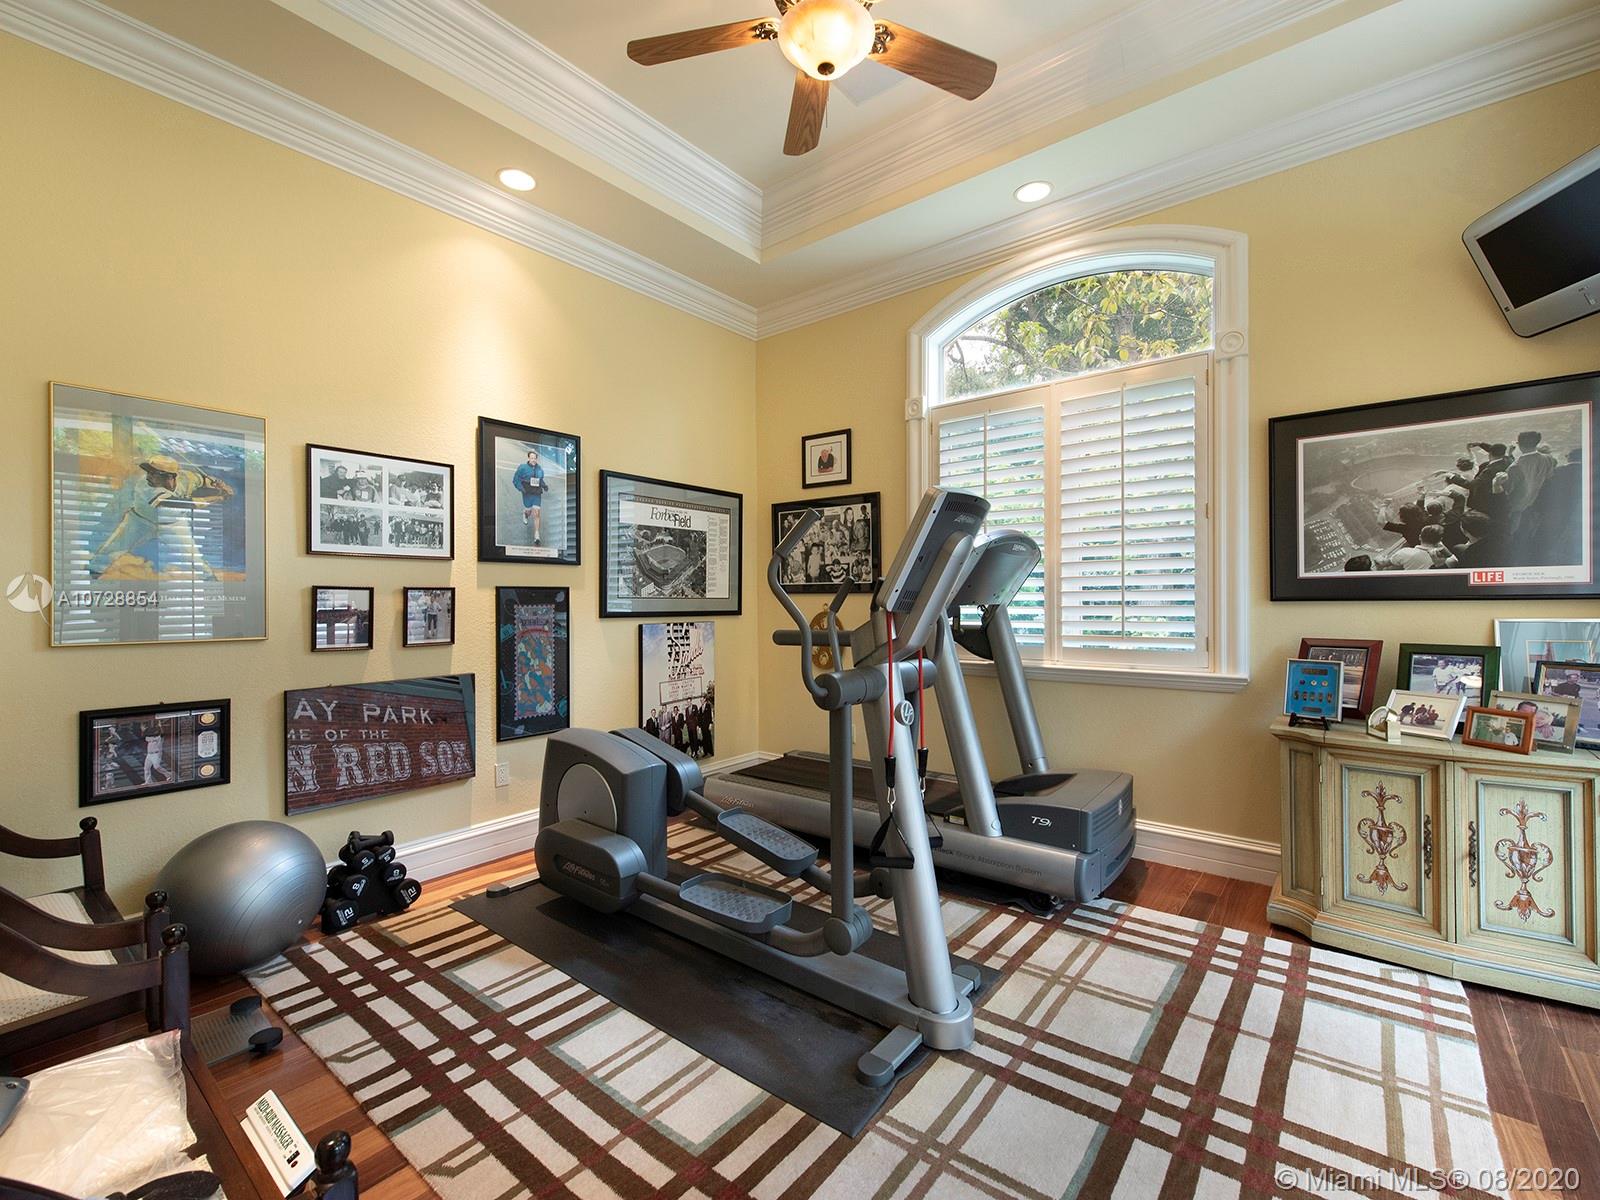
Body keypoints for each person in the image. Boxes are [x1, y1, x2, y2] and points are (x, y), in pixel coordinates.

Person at [511, 449, 546, 547]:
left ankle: (537, 535)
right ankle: (525, 514)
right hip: (527, 492)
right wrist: (521, 488)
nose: (533, 460)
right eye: (531, 458)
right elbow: (515, 479)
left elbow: (540, 480)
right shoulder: (522, 468)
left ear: (536, 459)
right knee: (529, 511)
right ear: (528, 458)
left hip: (536, 492)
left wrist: (544, 485)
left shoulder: (539, 469)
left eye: (535, 458)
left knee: (537, 513)